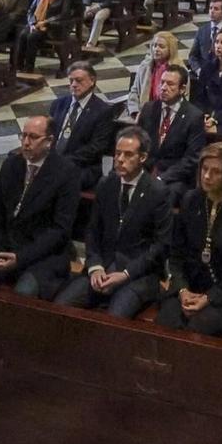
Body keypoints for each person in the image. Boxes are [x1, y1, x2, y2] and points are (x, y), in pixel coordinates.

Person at [0, 115, 79, 296]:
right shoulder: (12, 164)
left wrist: (20, 258)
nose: (26, 142)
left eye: (33, 137)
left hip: (41, 256)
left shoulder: (66, 173)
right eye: (24, 136)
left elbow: (59, 231)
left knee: (22, 294)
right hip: (2, 247)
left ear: (49, 141)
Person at [57, 125, 169, 318]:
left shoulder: (157, 192)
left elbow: (160, 246)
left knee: (114, 319)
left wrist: (126, 273)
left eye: (128, 155)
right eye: (117, 154)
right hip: (103, 266)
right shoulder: (106, 184)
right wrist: (95, 266)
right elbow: (93, 231)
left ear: (142, 158)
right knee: (61, 305)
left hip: (137, 274)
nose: (120, 160)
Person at [159, 140, 222, 337]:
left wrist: (209, 298)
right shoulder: (191, 200)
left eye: (216, 172)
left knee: (199, 329)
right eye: (204, 169)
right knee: (165, 323)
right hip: (190, 287)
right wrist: (182, 290)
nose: (207, 176)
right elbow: (176, 254)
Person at [48, 61, 119, 191]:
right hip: (53, 161)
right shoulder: (58, 104)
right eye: (71, 81)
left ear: (92, 81)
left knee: (55, 183)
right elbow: (49, 135)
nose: (74, 85)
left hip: (83, 166)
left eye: (79, 80)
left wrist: (64, 162)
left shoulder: (103, 111)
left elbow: (97, 147)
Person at [140, 66, 207, 189]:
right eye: (162, 83)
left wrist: (162, 178)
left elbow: (192, 159)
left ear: (182, 89)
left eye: (170, 84)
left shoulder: (194, 117)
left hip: (174, 178)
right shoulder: (149, 109)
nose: (164, 88)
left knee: (165, 192)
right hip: (146, 170)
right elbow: (138, 142)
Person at [131, 30, 181, 113]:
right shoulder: (144, 66)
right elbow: (134, 91)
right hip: (143, 112)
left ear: (170, 49)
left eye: (161, 46)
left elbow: (181, 102)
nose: (156, 49)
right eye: (154, 45)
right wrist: (135, 112)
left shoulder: (180, 70)